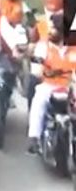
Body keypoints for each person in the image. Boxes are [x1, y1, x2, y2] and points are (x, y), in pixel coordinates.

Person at [27, 14, 75, 154]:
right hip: (49, 86)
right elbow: (36, 68)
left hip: (71, 85)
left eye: (55, 28)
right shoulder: (43, 46)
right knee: (38, 101)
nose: (51, 31)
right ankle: (34, 138)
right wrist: (42, 70)